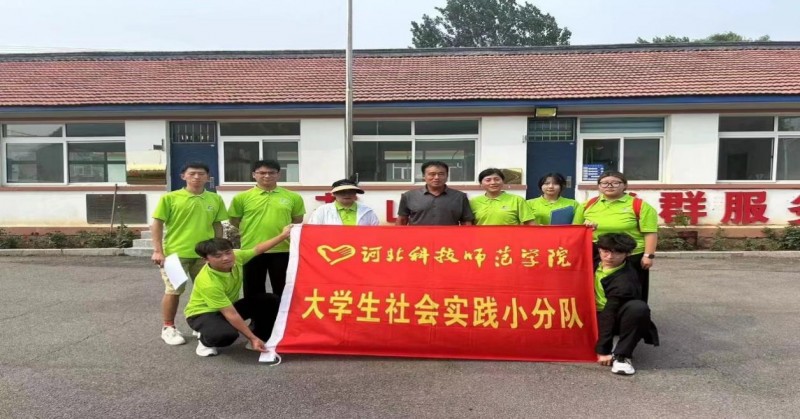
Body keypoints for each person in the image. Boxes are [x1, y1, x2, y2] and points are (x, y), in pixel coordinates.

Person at [185, 225, 292, 357]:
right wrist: (251, 338)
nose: (226, 258)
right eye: (218, 256)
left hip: (227, 307)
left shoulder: (237, 257)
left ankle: (260, 335)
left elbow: (258, 249)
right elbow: (231, 314)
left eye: (228, 252)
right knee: (226, 335)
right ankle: (205, 339)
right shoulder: (208, 282)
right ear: (205, 259)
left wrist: (283, 236)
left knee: (270, 300)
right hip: (202, 313)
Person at [151, 162, 228, 346]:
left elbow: (217, 225)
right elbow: (157, 224)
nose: (196, 177)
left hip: (204, 255)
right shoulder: (170, 198)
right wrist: (158, 251)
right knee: (174, 290)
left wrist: (217, 250)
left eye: (201, 174)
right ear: (183, 176)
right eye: (192, 173)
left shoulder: (215, 199)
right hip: (175, 254)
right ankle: (168, 327)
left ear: (207, 177)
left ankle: (202, 324)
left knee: (206, 290)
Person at [573, 171, 659, 302]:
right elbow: (576, 230)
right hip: (599, 254)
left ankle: (633, 313)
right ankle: (600, 313)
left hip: (631, 255)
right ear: (599, 186)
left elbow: (650, 232)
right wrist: (587, 229)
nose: (609, 186)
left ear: (625, 185)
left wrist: (648, 256)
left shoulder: (639, 205)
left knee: (633, 289)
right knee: (597, 287)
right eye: (604, 183)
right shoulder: (587, 205)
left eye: (615, 183)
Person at [228, 160, 305, 299]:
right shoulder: (241, 197)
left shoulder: (293, 197)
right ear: (254, 175)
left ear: (278, 175)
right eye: (262, 173)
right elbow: (234, 220)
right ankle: (256, 314)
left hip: (283, 249)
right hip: (251, 249)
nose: (267, 176)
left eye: (271, 173)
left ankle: (280, 313)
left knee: (283, 288)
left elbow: (297, 220)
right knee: (253, 289)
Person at [594, 233, 659, 375]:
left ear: (627, 254)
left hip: (612, 316)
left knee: (638, 309)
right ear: (599, 250)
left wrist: (603, 349)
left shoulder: (625, 280)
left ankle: (622, 355)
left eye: (617, 253)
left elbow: (610, 313)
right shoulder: (593, 263)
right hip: (589, 314)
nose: (610, 257)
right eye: (606, 251)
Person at [396, 161, 474, 226]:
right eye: (432, 174)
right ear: (424, 176)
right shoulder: (409, 196)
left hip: (449, 238)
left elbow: (466, 222)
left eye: (441, 174)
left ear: (447, 176)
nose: (436, 177)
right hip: (418, 238)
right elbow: (402, 220)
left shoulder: (460, 197)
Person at [470, 168, 535, 225]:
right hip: (482, 235)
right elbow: (469, 225)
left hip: (510, 235)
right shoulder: (473, 202)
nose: (493, 182)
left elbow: (530, 223)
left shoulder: (517, 200)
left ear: (503, 181)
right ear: (481, 184)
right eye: (488, 180)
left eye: (497, 179)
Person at [308, 179, 380, 225]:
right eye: (342, 192)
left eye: (351, 192)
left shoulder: (367, 211)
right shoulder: (321, 211)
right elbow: (312, 232)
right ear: (334, 193)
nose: (347, 195)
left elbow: (376, 233)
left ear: (355, 193)